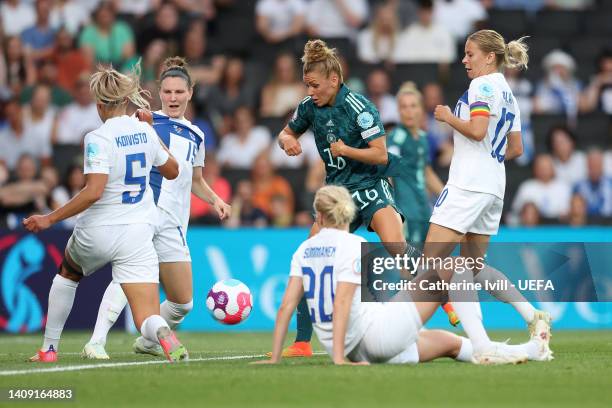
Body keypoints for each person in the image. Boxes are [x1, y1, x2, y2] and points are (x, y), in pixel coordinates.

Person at [273, 39, 457, 358]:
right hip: (338, 194)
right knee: (312, 253)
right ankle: (303, 342)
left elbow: (381, 155)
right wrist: (285, 140)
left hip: (370, 187)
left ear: (334, 80)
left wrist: (345, 150)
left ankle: (440, 297)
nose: (310, 91)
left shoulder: (360, 108)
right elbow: (287, 131)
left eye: (314, 85)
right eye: (307, 85)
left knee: (396, 247)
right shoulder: (308, 107)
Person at [255, 185, 551, 365]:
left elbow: (286, 307)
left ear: (319, 216)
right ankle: (485, 346)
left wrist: (276, 357)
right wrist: (338, 360)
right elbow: (343, 301)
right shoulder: (355, 244)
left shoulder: (303, 251)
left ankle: (532, 351)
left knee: (450, 344)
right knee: (453, 267)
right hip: (374, 339)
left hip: (362, 349)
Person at [23, 62, 187, 363]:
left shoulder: (97, 138)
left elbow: (93, 191)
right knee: (146, 315)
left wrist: (50, 218)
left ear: (100, 104)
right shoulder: (143, 130)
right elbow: (173, 170)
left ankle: (49, 349)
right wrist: (151, 131)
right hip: (138, 233)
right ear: (125, 100)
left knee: (69, 272)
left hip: (99, 229)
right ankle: (162, 332)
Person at [82, 57, 232, 359]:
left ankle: (150, 339)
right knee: (126, 279)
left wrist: (215, 199)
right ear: (159, 93)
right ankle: (96, 342)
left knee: (183, 302)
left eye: (179, 92)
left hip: (174, 224)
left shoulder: (197, 134)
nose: (173, 98)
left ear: (190, 92)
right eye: (167, 92)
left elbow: (195, 179)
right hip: (143, 215)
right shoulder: (144, 122)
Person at [429, 29, 552, 364]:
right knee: (471, 266)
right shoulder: (509, 93)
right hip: (493, 186)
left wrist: (447, 118)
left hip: (467, 184)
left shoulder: (481, 86)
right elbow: (516, 149)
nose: (465, 60)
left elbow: (478, 130)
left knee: (432, 263)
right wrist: (486, 157)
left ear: (489, 56)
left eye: (470, 54)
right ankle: (531, 316)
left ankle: (481, 344)